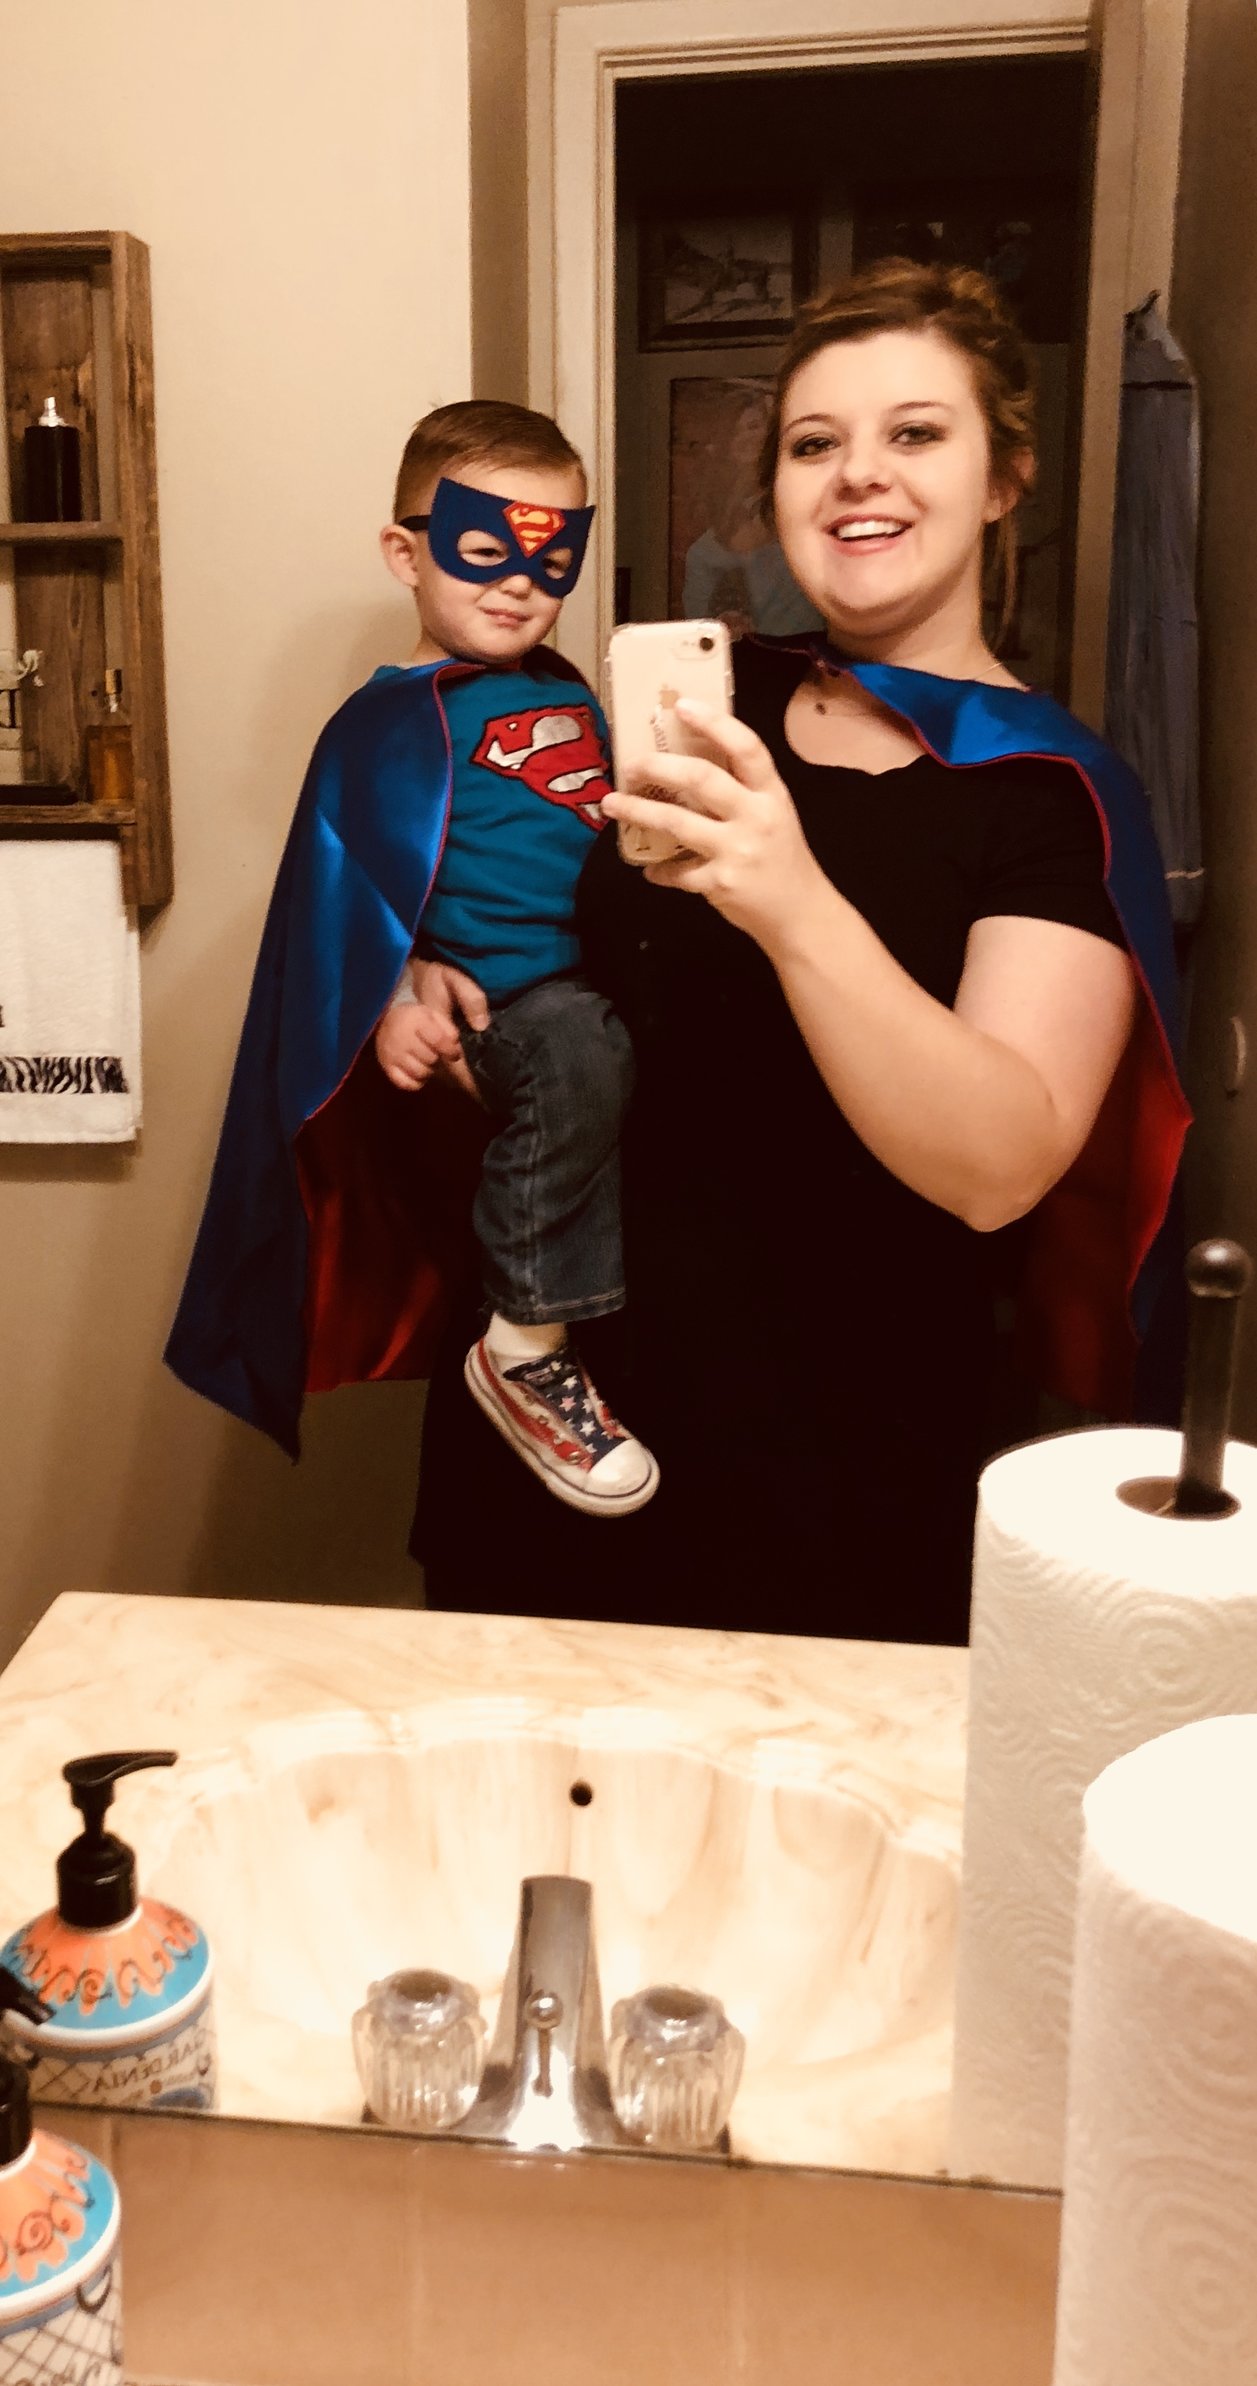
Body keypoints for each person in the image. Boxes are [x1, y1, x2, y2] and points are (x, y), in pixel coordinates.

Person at [412, 262, 1189, 1643]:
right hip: (556, 1397)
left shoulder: (1051, 791)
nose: (857, 474)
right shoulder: (701, 703)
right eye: (814, 443)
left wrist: (791, 900)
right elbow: (554, 930)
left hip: (829, 1455)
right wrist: (432, 965)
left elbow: (1000, 1167)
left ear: (1004, 478)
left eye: (915, 432)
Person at [166, 400, 657, 1518]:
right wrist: (390, 995)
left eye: (553, 557)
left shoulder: (571, 691)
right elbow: (339, 901)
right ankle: (525, 1344)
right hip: (511, 1007)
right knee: (578, 1056)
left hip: (599, 984)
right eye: (485, 549)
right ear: (407, 552)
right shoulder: (380, 724)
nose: (519, 583)